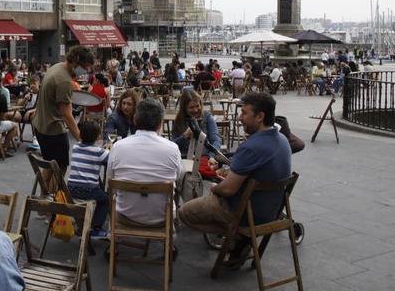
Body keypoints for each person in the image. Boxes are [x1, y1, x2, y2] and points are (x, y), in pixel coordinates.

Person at [177, 92, 292, 268]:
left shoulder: (252, 146)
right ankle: (239, 239)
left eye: (244, 113)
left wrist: (215, 189)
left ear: (260, 116)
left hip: (245, 212)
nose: (239, 118)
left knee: (184, 213)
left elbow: (228, 189)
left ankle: (240, 236)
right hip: (272, 211)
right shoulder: (283, 139)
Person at [107, 98, 180, 236]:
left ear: (135, 120)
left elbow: (110, 183)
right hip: (162, 217)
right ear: (160, 124)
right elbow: (176, 176)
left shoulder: (118, 147)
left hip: (125, 215)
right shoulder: (172, 149)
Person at [32, 46, 95, 170]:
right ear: (76, 61)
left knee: (50, 167)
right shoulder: (63, 81)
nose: (86, 71)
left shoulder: (57, 67)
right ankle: (55, 190)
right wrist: (81, 139)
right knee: (59, 168)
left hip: (41, 125)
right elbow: (66, 114)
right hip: (53, 129)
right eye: (85, 67)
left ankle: (46, 189)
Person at [67, 120, 110, 238]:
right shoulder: (99, 152)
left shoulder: (76, 147)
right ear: (98, 136)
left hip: (70, 189)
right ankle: (96, 227)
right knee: (106, 199)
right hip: (88, 190)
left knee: (97, 184)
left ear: (80, 135)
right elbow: (110, 161)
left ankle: (88, 221)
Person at [171, 90, 221, 160]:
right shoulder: (179, 120)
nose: (195, 110)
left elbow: (216, 140)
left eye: (197, 106)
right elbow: (172, 145)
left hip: (204, 158)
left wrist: (212, 156)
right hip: (184, 159)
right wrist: (184, 136)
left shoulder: (207, 117)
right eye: (191, 107)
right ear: (184, 109)